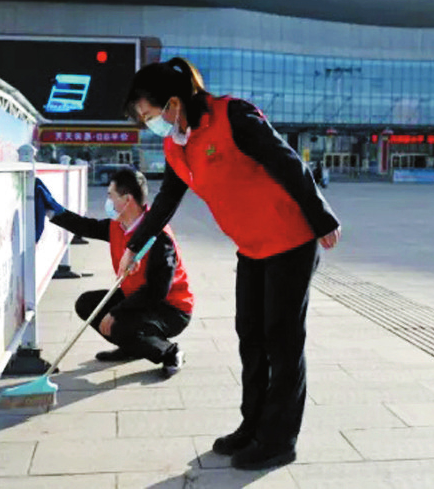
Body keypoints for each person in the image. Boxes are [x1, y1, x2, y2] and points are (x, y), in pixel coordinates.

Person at [120, 57, 341, 470]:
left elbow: (286, 161)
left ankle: (279, 440)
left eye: (150, 115)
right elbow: (166, 200)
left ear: (173, 103)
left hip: (291, 241)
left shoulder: (232, 115)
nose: (150, 124)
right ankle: (252, 425)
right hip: (252, 247)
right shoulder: (176, 144)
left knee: (282, 341)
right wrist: (136, 245)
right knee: (250, 337)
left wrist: (322, 216)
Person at [35, 169, 193, 377]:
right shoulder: (119, 226)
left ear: (127, 200)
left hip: (170, 308)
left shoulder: (159, 237)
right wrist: (53, 210)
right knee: (87, 304)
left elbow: (156, 291)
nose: (107, 201)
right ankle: (132, 347)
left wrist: (117, 311)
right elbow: (87, 227)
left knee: (119, 324)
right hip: (136, 296)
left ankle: (170, 352)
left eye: (111, 195)